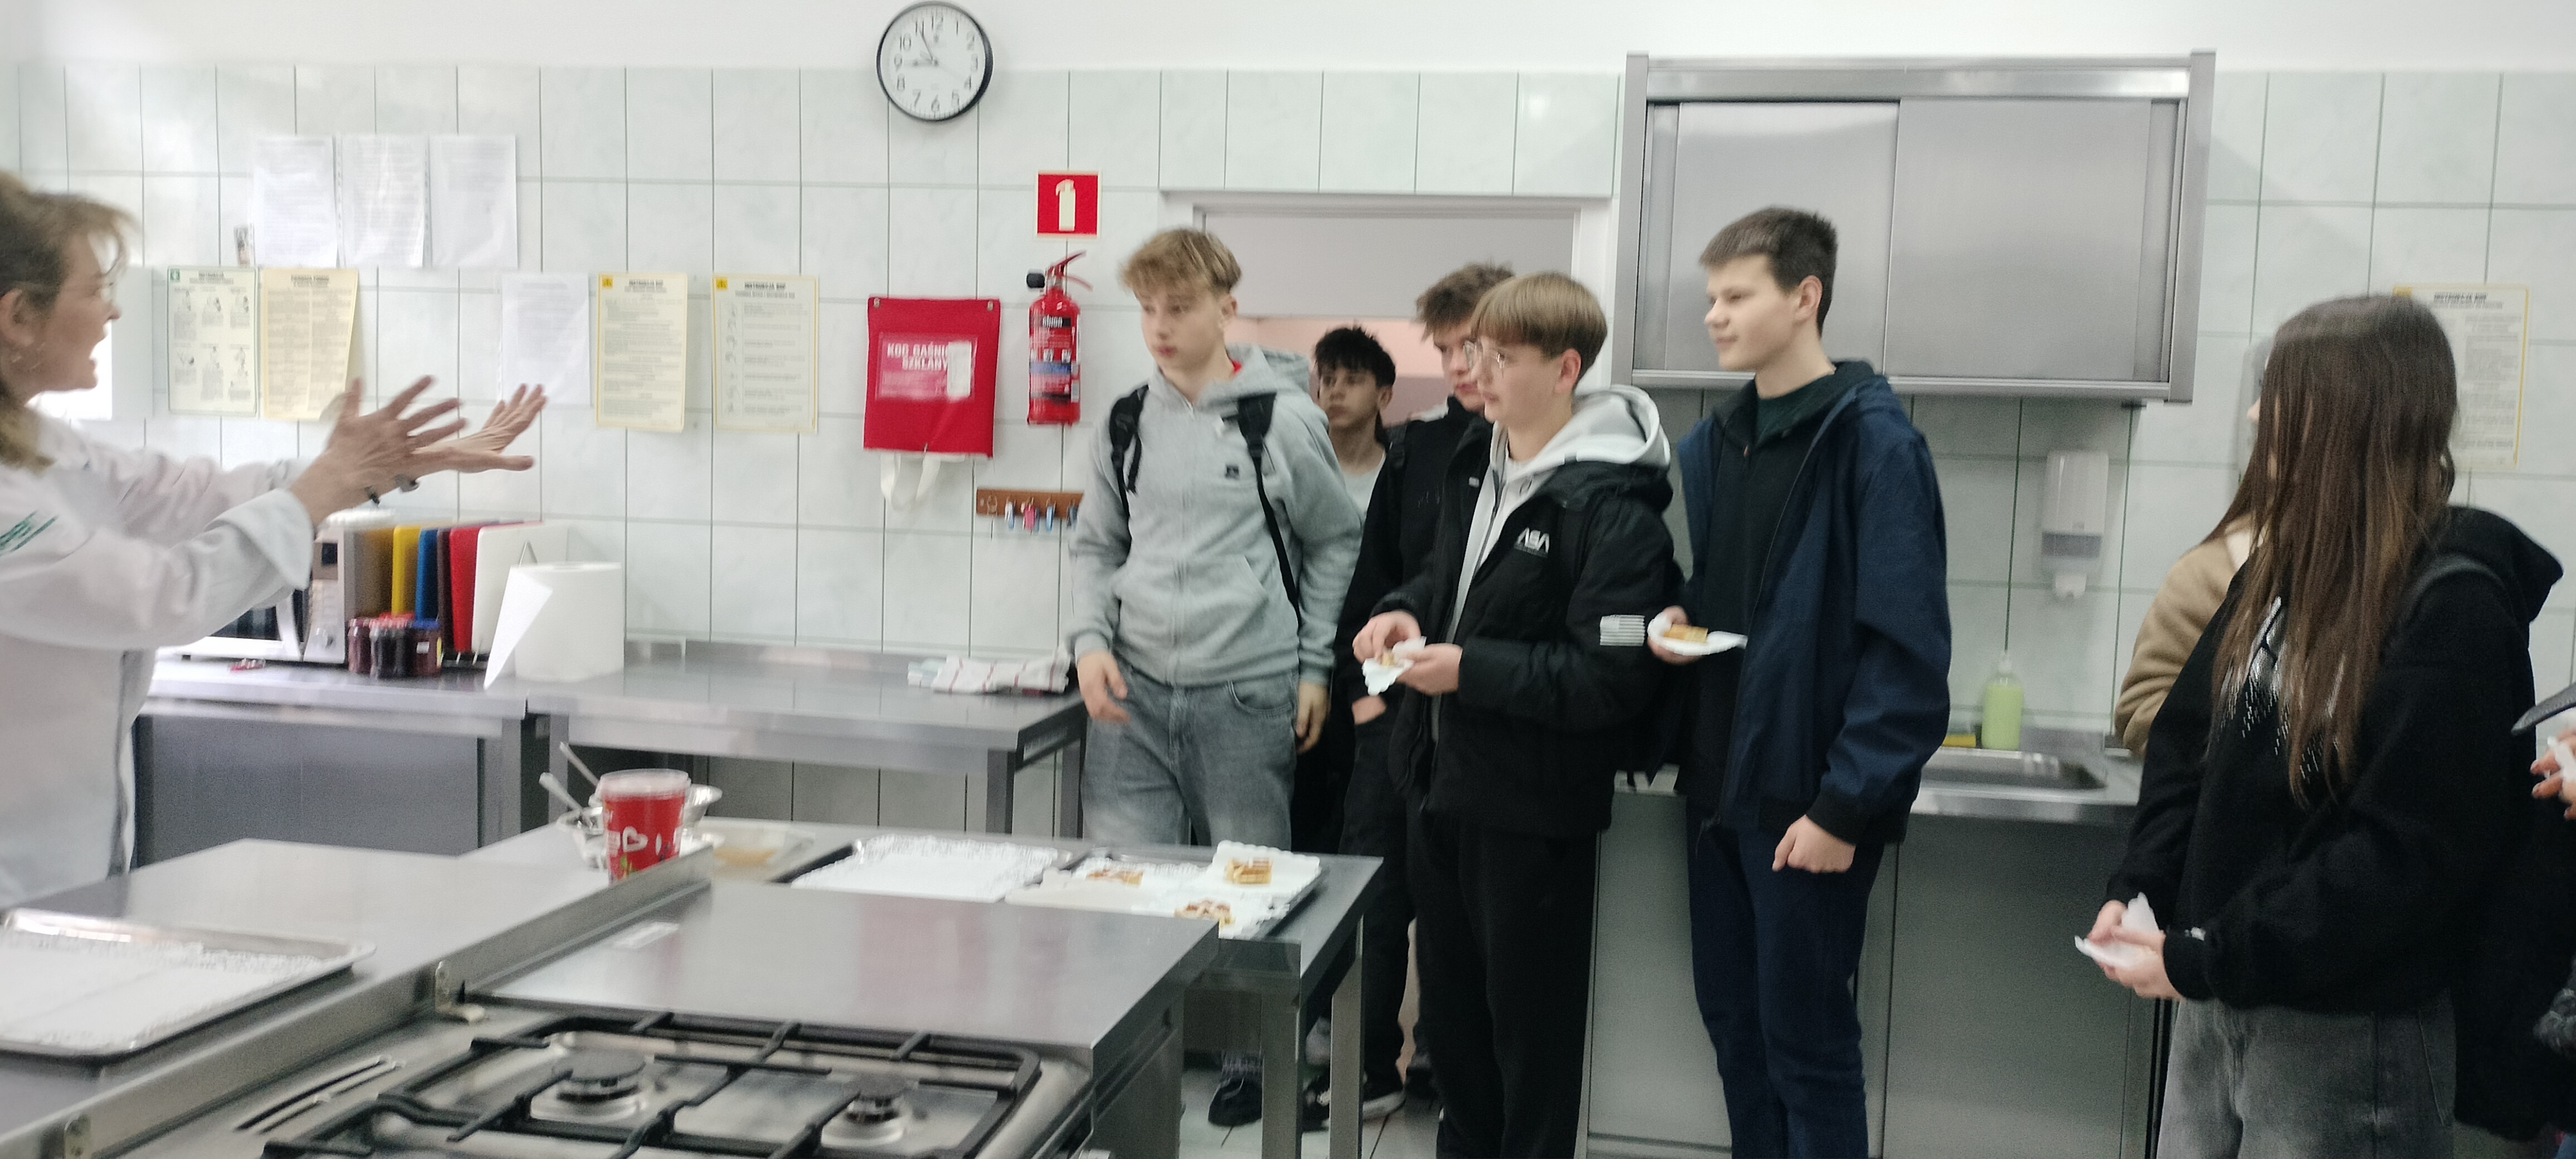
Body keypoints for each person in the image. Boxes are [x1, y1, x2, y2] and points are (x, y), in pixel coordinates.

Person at [2090, 295, 2561, 1158]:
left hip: (2349, 1040)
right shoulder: (2284, 566)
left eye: (2279, 395)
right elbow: (2190, 744)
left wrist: (2210, 955)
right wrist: (2142, 883)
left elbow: (2404, 858)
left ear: (2350, 414)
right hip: (2217, 1007)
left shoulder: (2455, 607)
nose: (2256, 416)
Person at [0, 175, 543, 907]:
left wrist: (371, 470)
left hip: (61, 874)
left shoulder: (43, 446)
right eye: (95, 290)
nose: (113, 311)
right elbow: (165, 597)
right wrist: (330, 484)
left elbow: (187, 495)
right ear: (19, 317)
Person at [1352, 271, 1677, 1158]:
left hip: (1531, 816)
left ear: (1566, 368)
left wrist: (1469, 672)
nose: (1476, 371)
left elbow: (1608, 679)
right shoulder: (1478, 465)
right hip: (1439, 790)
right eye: (1471, 352)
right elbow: (1452, 581)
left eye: (1501, 356)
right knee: (1455, 1044)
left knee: (1527, 1053)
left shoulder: (1616, 508)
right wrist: (1406, 610)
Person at [1648, 206, 1950, 1158]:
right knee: (1736, 1036)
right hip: (1715, 794)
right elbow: (1720, 595)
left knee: (1807, 1049)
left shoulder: (1874, 445)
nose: (1714, 316)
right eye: (1711, 298)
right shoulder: (1716, 443)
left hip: (1804, 806)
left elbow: (1905, 655)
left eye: (1735, 296)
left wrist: (1842, 809)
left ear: (1804, 297)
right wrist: (1671, 619)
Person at [1066, 227, 1363, 1127]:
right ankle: (1121, 1071)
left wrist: (1314, 667)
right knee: (1123, 891)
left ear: (1226, 309)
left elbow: (1333, 540)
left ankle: (1254, 1068)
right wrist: (1089, 642)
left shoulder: (1282, 420)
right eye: (1147, 309)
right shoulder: (1126, 420)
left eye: (1179, 307)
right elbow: (1095, 546)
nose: (1159, 326)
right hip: (1131, 695)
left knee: (1250, 888)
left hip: (1246, 688)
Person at [1315, 262, 1514, 1123]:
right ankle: (1367, 1063)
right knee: (1374, 887)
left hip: (1483, 718)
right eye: (1445, 350)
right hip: (1391, 715)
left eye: (1473, 346)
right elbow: (1373, 584)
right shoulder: (1417, 448)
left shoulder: (1537, 447)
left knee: (1459, 903)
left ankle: (1442, 1051)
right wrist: (1368, 702)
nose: (1459, 365)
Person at [1291, 324, 1397, 856]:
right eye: (1327, 380)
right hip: (1302, 647)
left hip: (1372, 655)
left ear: (1384, 396)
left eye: (1352, 380)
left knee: (1364, 803)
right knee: (1303, 801)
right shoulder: (1300, 467)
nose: (1334, 391)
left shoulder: (1400, 472)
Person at [2113, 399, 2266, 757]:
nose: (2254, 412)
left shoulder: (2401, 580)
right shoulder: (2215, 570)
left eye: (2285, 389)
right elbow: (2141, 713)